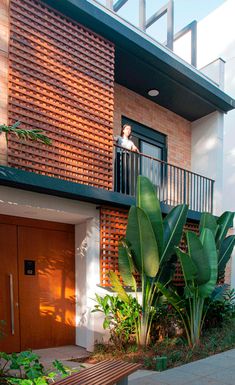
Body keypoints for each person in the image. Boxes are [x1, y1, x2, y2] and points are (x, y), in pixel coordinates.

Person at [115, 124, 139, 194]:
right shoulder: (119, 138)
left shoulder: (130, 142)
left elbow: (136, 149)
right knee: (119, 173)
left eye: (130, 129)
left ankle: (126, 192)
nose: (129, 131)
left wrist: (135, 149)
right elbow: (114, 138)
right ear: (123, 130)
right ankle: (118, 191)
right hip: (120, 155)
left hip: (127, 157)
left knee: (126, 175)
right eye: (127, 129)